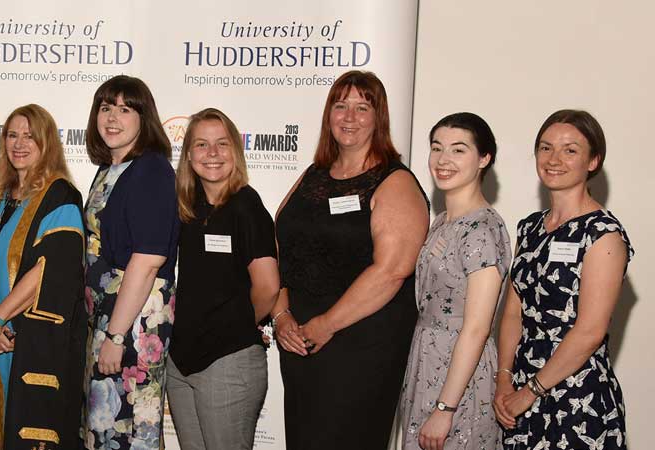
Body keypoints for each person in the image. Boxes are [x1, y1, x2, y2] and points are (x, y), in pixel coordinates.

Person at [270, 70, 429, 449]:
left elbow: (392, 271)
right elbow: (275, 248)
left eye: (362, 107)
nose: (349, 117)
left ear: (379, 118)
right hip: (301, 344)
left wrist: (325, 325)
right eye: (341, 106)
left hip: (360, 349)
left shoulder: (394, 182)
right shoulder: (314, 175)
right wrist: (280, 316)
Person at [495, 110, 632, 449]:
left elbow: (590, 331)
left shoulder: (604, 235)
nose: (554, 159)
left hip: (576, 397)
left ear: (593, 161)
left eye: (570, 150)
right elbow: (514, 311)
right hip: (519, 397)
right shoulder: (529, 227)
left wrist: (531, 391)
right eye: (545, 148)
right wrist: (504, 378)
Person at [0, 104, 87, 450]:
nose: (19, 143)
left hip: (37, 343)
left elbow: (47, 269)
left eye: (30, 136)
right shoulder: (3, 198)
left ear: (47, 142)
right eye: (12, 135)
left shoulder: (60, 196)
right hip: (2, 339)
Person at [166, 108, 280, 450]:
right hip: (181, 362)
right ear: (188, 155)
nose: (212, 153)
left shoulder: (246, 206)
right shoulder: (188, 207)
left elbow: (269, 287)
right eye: (202, 144)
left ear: (236, 150)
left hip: (227, 363)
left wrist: (235, 328)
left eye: (222, 143)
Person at [81, 75, 180, 450]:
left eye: (125, 109)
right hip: (108, 317)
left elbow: (148, 260)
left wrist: (116, 337)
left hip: (135, 324)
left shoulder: (151, 170)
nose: (112, 118)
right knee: (105, 433)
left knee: (129, 432)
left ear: (145, 118)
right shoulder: (109, 170)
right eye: (106, 108)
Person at [399, 112, 509, 450]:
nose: (443, 160)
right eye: (437, 148)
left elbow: (476, 328)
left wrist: (446, 408)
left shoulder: (483, 230)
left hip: (459, 378)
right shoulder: (443, 220)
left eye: (459, 150)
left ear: (484, 158)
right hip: (427, 363)